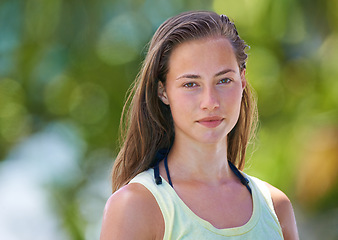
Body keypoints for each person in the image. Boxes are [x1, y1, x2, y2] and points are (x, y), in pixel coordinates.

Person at [100, 10, 299, 240]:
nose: (210, 102)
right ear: (163, 91)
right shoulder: (137, 206)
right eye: (191, 84)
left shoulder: (276, 208)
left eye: (224, 80)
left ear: (242, 81)